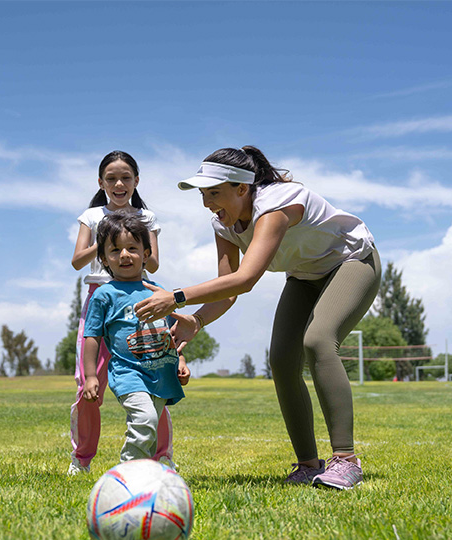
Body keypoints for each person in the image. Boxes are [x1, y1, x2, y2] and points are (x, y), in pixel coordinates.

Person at [135, 146, 380, 490]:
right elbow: (228, 289)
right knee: (281, 360)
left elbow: (247, 279)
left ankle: (346, 460)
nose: (207, 203)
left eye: (214, 193)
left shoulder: (276, 205)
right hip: (304, 276)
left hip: (353, 261)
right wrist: (197, 320)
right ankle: (309, 464)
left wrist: (176, 296)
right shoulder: (224, 224)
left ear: (242, 188)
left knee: (318, 340)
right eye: (204, 195)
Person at [68, 151, 175, 475]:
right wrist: (104, 241)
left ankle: (162, 456)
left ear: (136, 181)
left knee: (154, 374)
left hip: (140, 298)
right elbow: (76, 261)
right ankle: (82, 458)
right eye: (111, 178)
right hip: (101, 296)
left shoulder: (147, 217)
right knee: (87, 382)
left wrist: (134, 241)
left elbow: (154, 263)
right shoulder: (92, 216)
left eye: (126, 177)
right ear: (100, 183)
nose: (119, 183)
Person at [80, 212, 190, 465]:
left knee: (150, 429)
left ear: (147, 253)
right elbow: (92, 336)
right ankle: (128, 471)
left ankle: (149, 471)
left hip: (161, 372)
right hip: (129, 372)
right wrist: (92, 376)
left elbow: (170, 330)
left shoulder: (157, 292)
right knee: (145, 420)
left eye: (132, 248)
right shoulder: (105, 295)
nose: (125, 255)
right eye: (115, 250)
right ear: (103, 258)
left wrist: (181, 360)